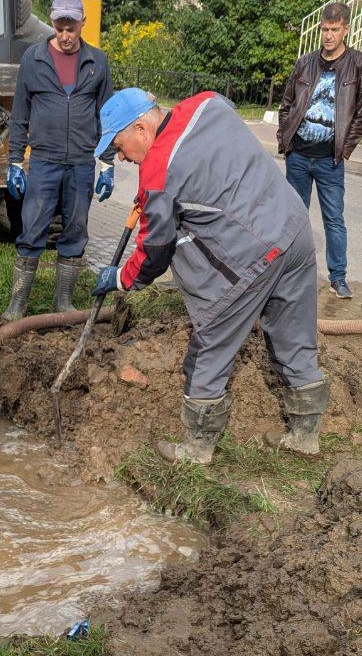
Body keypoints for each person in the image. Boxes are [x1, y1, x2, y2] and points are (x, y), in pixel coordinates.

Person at [91, 88, 329, 463]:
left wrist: (122, 279)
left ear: (141, 129)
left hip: (253, 253)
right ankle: (305, 436)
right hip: (293, 228)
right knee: (295, 335)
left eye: (119, 147)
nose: (121, 157)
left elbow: (154, 250)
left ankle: (196, 449)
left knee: (209, 344)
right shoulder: (205, 103)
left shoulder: (158, 172)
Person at [3, 0, 114, 320]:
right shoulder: (33, 60)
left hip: (81, 164)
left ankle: (62, 302)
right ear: (52, 22)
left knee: (75, 230)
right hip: (44, 163)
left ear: (83, 23)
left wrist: (107, 162)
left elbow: (106, 117)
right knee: (32, 228)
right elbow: (19, 113)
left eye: (72, 27)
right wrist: (13, 161)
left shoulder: (98, 63)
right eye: (60, 27)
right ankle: (18, 304)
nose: (65, 35)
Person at [277, 1, 362, 300]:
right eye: (325, 30)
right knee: (294, 217)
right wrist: (286, 140)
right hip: (299, 156)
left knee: (334, 219)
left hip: (330, 160)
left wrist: (344, 149)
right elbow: (287, 103)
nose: (329, 36)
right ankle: (288, 274)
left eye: (335, 30)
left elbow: (361, 113)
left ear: (346, 29)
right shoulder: (305, 63)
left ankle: (338, 277)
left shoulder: (359, 64)